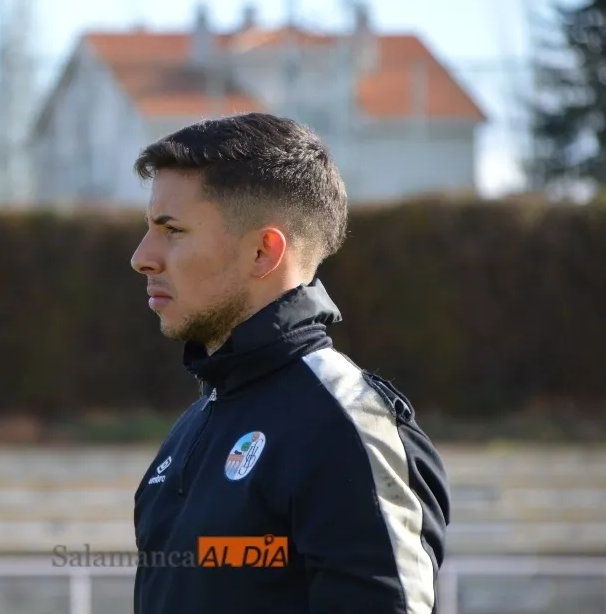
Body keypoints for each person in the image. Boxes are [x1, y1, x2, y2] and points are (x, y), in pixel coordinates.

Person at [129, 113, 450, 614]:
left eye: (171, 229)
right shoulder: (195, 423)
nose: (142, 257)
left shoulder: (346, 422)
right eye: (149, 228)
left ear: (263, 252)